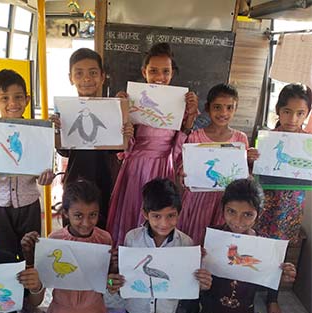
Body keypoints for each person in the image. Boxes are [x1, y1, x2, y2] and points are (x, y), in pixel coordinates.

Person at [186, 178, 296, 313]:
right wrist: (197, 262)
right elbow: (199, 277)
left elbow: (269, 275)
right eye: (231, 212)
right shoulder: (213, 237)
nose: (237, 221)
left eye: (247, 214)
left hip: (243, 308)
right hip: (212, 305)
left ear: (258, 215)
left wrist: (281, 276)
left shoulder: (263, 246)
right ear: (223, 209)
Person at [107, 178, 212, 313]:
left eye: (171, 215)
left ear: (179, 214)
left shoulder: (186, 244)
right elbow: (125, 276)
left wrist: (201, 280)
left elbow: (188, 281)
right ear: (145, 214)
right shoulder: (132, 238)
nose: (164, 223)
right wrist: (115, 273)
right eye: (156, 216)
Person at [106, 42, 199, 246]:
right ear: (144, 72)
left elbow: (178, 148)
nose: (159, 77)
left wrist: (190, 117)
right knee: (133, 208)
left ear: (172, 73)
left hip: (163, 166)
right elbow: (124, 145)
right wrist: (119, 109)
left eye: (165, 71)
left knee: (160, 213)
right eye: (153, 71)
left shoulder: (180, 103)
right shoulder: (134, 99)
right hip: (135, 167)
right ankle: (127, 259)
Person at [0, 69, 54, 313]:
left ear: (27, 99)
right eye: (4, 98)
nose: (12, 103)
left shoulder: (37, 134)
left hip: (29, 203)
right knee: (3, 254)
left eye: (18, 97)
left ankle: (29, 303)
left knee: (29, 254)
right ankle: (8, 302)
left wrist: (47, 176)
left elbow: (45, 169)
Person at [21, 179, 113, 313]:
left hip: (92, 309)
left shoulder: (104, 239)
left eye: (93, 215)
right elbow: (38, 291)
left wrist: (113, 277)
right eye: (78, 215)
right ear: (65, 213)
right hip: (64, 310)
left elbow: (108, 282)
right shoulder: (55, 240)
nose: (86, 223)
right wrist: (31, 257)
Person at [54, 48, 134, 228]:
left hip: (106, 181)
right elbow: (64, 151)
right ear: (70, 78)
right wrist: (57, 131)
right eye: (79, 73)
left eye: (93, 73)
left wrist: (127, 134)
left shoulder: (114, 109)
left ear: (102, 76)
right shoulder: (65, 111)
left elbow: (120, 150)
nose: (86, 79)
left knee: (104, 231)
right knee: (73, 231)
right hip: (76, 180)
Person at [255, 83, 312, 313]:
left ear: (307, 115)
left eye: (300, 113)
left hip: (290, 204)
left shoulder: (308, 145)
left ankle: (272, 296)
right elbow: (253, 170)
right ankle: (248, 289)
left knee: (279, 250)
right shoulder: (267, 138)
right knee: (256, 243)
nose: (293, 118)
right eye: (287, 111)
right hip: (263, 201)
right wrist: (251, 157)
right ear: (278, 110)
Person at [178, 83, 257, 246]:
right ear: (208, 108)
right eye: (217, 107)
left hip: (226, 202)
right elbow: (183, 169)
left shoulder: (240, 139)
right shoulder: (195, 137)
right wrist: (183, 174)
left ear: (235, 109)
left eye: (229, 108)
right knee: (194, 238)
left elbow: (245, 176)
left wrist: (250, 160)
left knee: (218, 244)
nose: (223, 113)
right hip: (197, 200)